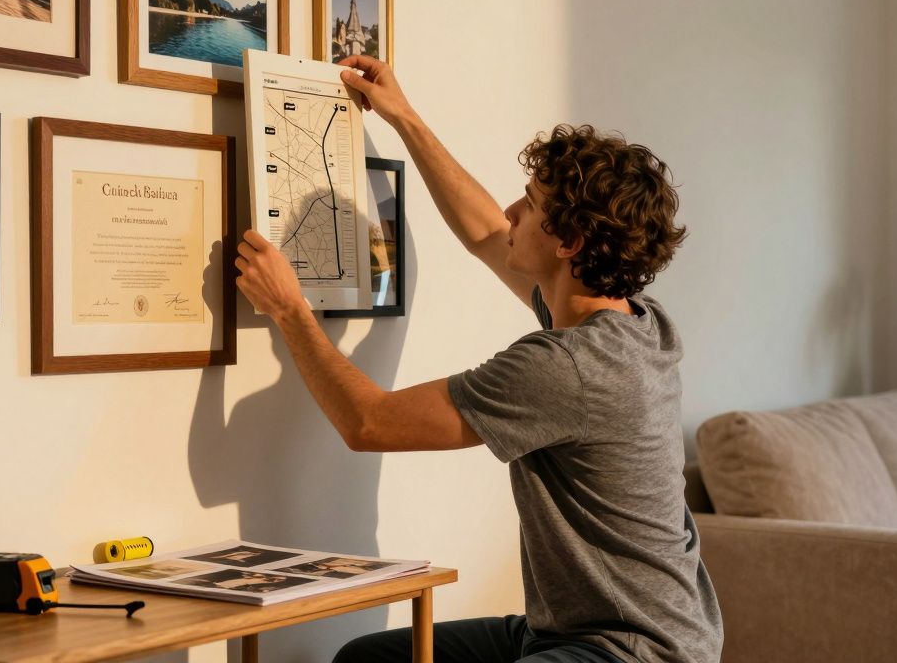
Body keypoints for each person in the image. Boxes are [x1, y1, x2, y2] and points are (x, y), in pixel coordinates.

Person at [233, 54, 722, 663]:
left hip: (631, 650)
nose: (512, 213)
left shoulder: (564, 367)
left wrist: (290, 312)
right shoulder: (636, 325)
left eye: (531, 204)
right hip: (577, 631)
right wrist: (405, 117)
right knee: (370, 660)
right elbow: (487, 233)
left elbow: (369, 423)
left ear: (568, 243)